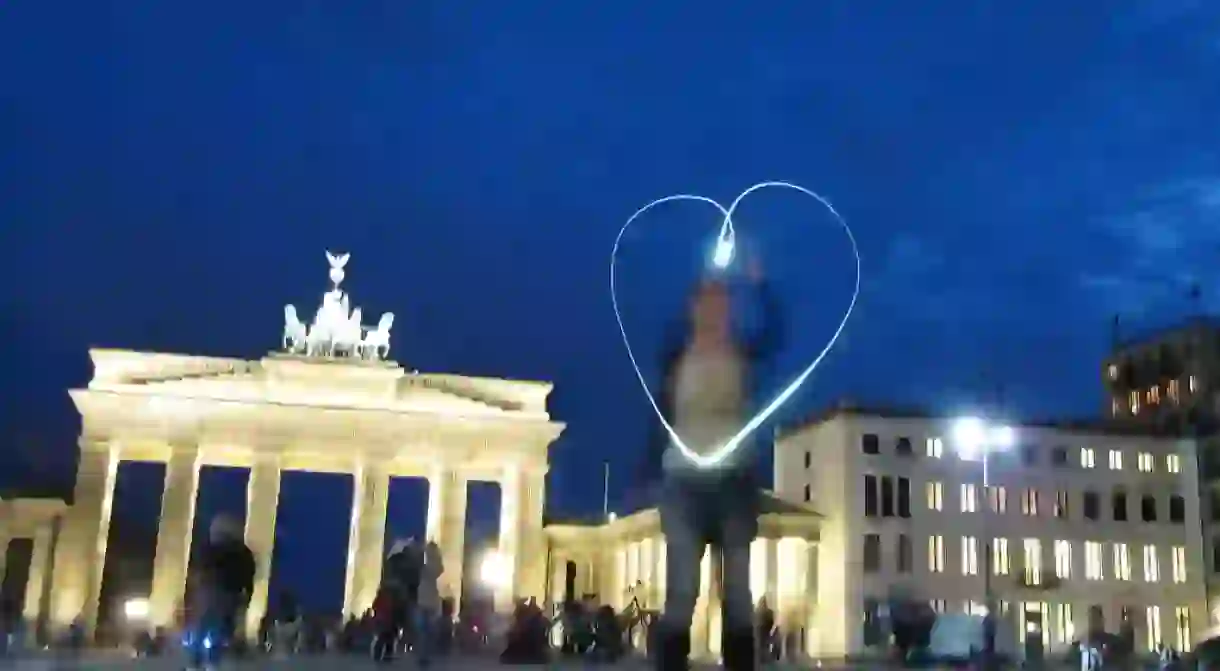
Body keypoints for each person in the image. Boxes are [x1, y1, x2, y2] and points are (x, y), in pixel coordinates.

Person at [646, 257, 782, 671]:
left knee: (737, 592)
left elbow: (776, 334)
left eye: (722, 301)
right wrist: (652, 473)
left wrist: (762, 286)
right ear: (693, 309)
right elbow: (660, 418)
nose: (715, 309)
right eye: (706, 301)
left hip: (734, 481)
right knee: (682, 588)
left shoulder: (743, 351)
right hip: (685, 481)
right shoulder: (676, 355)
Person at [184, 515, 255, 670]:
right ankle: (212, 661)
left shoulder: (209, 549)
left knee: (203, 627)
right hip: (231, 594)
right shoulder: (243, 552)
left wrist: (196, 591)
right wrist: (248, 595)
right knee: (221, 629)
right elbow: (249, 575)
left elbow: (200, 570)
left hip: (211, 592)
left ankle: (196, 661)